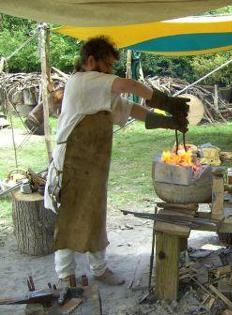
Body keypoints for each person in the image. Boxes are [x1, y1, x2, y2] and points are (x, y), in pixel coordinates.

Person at [44, 36, 189, 287]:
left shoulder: (100, 89)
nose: (111, 72)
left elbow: (132, 109)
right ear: (90, 61)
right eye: (108, 65)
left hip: (94, 166)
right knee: (69, 216)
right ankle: (65, 275)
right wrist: (166, 102)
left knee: (96, 214)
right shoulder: (82, 82)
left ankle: (99, 269)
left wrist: (168, 121)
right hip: (72, 163)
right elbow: (131, 86)